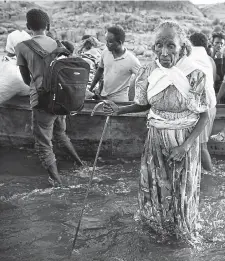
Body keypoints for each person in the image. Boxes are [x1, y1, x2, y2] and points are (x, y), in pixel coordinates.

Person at [103, 21, 210, 237]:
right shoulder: (147, 72)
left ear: (181, 47)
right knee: (157, 189)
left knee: (181, 191)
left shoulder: (195, 75)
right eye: (159, 45)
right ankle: (157, 229)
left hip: (184, 143)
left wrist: (185, 147)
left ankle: (182, 234)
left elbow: (205, 116)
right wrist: (119, 110)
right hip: (155, 140)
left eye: (171, 45)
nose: (164, 52)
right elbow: (144, 104)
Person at [15, 9, 83, 186]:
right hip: (61, 99)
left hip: (41, 100)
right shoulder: (58, 44)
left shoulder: (22, 47)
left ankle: (58, 184)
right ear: (48, 26)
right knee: (61, 134)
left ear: (28, 26)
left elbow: (25, 78)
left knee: (44, 144)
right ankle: (81, 164)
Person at [89, 25, 141, 102]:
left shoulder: (131, 60)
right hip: (103, 97)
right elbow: (100, 70)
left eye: (110, 42)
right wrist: (91, 89)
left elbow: (142, 78)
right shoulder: (105, 52)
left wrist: (133, 97)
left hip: (119, 100)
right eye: (106, 41)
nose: (106, 44)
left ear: (119, 42)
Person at [189, 32, 217, 171]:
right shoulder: (210, 60)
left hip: (200, 106)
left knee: (201, 146)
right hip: (211, 104)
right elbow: (213, 82)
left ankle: (211, 175)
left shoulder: (188, 56)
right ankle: (203, 175)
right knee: (200, 145)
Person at [211, 32, 225, 104]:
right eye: (217, 43)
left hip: (222, 89)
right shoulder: (207, 56)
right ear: (212, 43)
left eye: (221, 43)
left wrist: (220, 59)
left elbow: (223, 76)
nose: (219, 45)